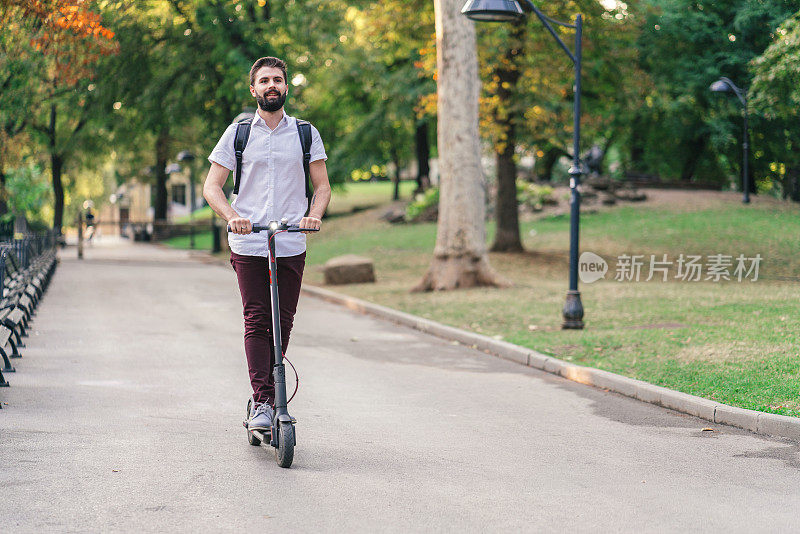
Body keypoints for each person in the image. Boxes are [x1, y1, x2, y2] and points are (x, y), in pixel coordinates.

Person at [203, 56, 331, 431]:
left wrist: (314, 215)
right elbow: (212, 186)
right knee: (258, 319)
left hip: (290, 242)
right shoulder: (237, 133)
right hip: (249, 244)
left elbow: (321, 186)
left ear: (286, 87)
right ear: (253, 89)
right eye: (264, 81)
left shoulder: (306, 133)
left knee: (284, 321)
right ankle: (263, 402)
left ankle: (270, 395)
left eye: (277, 79)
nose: (271, 85)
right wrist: (233, 218)